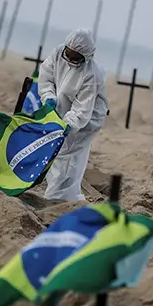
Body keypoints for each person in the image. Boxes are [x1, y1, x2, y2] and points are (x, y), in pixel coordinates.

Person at [37, 28, 109, 202]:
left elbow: (83, 106)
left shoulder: (91, 73)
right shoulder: (57, 54)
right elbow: (46, 77)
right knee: (57, 152)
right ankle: (67, 196)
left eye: (76, 58)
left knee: (68, 155)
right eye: (68, 55)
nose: (70, 60)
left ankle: (60, 198)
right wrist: (48, 97)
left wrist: (71, 123)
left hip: (86, 118)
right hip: (61, 109)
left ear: (86, 57)